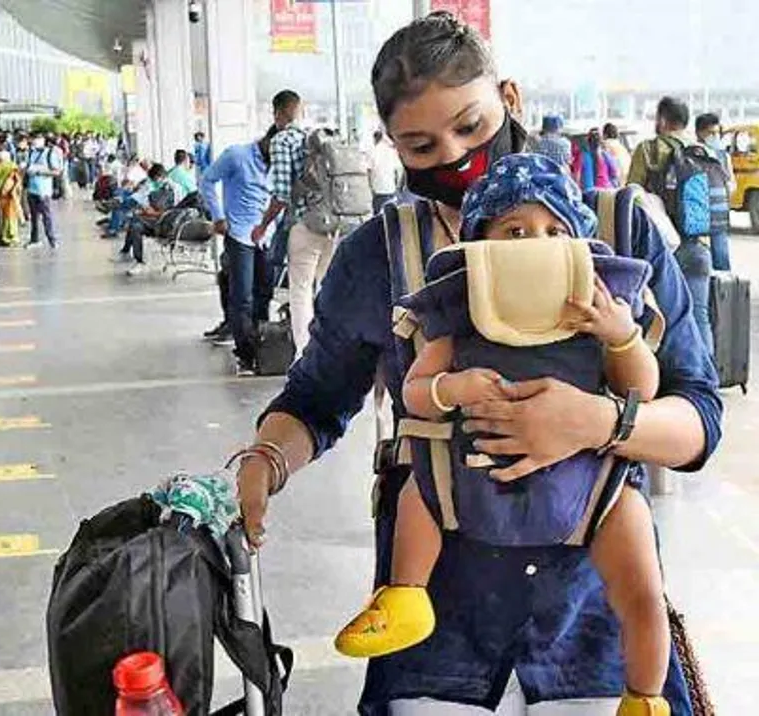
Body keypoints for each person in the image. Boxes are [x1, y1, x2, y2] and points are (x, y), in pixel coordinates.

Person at [231, 13, 720, 715]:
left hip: (593, 638)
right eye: (421, 144)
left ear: (509, 99)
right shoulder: (381, 257)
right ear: (393, 147)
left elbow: (698, 416)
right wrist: (267, 460)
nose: (455, 155)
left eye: (470, 125)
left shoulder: (618, 234)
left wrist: (596, 422)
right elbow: (316, 398)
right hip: (438, 642)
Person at [335, 153, 670, 713]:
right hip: (466, 485)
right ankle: (405, 595)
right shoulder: (460, 310)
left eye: (553, 231)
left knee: (642, 592)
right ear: (481, 244)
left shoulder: (597, 307)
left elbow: (644, 391)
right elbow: (416, 392)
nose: (534, 244)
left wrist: (621, 338)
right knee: (418, 488)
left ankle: (645, 695)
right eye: (515, 231)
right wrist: (452, 388)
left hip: (591, 492)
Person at [258, 89, 345, 357]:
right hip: (335, 224)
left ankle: (305, 354)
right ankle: (333, 349)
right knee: (328, 288)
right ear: (300, 110)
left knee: (300, 290)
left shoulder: (283, 141)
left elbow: (282, 194)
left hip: (305, 225)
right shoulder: (318, 140)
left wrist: (262, 225)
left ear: (278, 113)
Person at [628, 96, 714, 356]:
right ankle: (706, 377)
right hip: (701, 243)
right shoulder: (705, 152)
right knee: (699, 316)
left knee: (663, 317)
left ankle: (669, 381)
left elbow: (631, 195)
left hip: (663, 247)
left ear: (662, 120)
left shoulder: (649, 150)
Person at [199, 126, 277, 376]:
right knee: (242, 297)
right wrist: (218, 216)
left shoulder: (279, 164)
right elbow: (207, 180)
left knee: (264, 294)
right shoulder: (236, 155)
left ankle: (260, 347)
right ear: (267, 141)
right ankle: (245, 354)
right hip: (239, 235)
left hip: (266, 237)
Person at [116, 163, 181, 275]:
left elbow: (171, 211)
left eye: (156, 179)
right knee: (135, 225)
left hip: (167, 224)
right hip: (157, 221)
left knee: (134, 220)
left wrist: (152, 213)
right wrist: (147, 211)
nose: (156, 182)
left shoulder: (172, 189)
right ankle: (139, 260)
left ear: (160, 176)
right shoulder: (161, 188)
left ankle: (128, 252)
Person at [696, 112, 736, 271]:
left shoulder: (724, 156)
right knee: (701, 260)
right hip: (699, 213)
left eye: (717, 133)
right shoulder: (692, 154)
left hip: (719, 214)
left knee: (721, 256)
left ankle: (723, 292)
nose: (715, 137)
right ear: (699, 133)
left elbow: (731, 182)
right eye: (711, 133)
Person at [22, 130, 64, 248]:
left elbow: (57, 171)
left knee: (46, 215)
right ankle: (34, 239)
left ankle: (52, 239)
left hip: (43, 190)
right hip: (32, 189)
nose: (34, 141)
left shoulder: (50, 153)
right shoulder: (31, 152)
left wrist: (39, 171)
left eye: (37, 139)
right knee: (34, 216)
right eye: (33, 139)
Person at [369, 129, 404, 213]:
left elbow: (369, 171)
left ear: (375, 139)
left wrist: (371, 187)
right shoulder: (391, 152)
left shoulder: (373, 152)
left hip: (378, 190)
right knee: (390, 215)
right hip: (390, 188)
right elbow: (398, 171)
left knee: (377, 216)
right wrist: (397, 187)